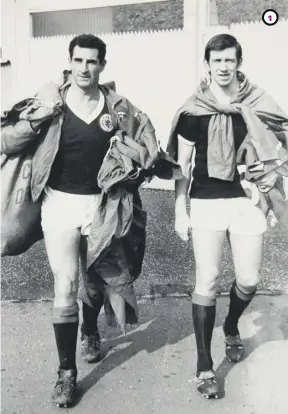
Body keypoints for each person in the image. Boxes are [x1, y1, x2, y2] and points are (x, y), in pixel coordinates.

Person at [1, 34, 162, 408]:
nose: (84, 68)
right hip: (58, 203)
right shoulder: (51, 102)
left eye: (92, 62)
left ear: (102, 65)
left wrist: (138, 167)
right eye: (78, 61)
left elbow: (149, 148)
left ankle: (89, 329)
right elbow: (7, 141)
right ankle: (66, 373)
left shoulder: (119, 107)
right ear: (69, 62)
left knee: (92, 285)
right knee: (65, 281)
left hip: (103, 207)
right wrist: (39, 115)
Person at [167, 34, 288, 399]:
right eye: (216, 61)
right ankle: (205, 365)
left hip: (246, 200)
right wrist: (179, 209)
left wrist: (268, 186)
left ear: (238, 63)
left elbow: (278, 143)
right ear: (207, 64)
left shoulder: (256, 102)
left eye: (229, 61)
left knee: (249, 280)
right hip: (205, 201)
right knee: (208, 279)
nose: (223, 67)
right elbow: (182, 167)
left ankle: (231, 324)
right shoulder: (193, 110)